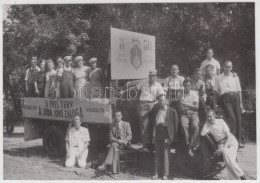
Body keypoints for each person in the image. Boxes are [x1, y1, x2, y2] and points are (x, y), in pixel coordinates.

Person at [201, 109, 246, 180]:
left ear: (214, 116)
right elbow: (202, 133)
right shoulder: (208, 126)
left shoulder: (221, 121)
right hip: (221, 144)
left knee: (228, 157)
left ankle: (237, 177)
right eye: (207, 117)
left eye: (210, 116)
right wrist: (206, 123)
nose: (209, 118)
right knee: (230, 159)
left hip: (231, 141)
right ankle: (241, 176)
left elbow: (228, 135)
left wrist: (223, 147)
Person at [213, 60, 244, 148]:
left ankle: (238, 141)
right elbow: (215, 91)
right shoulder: (218, 78)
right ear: (223, 67)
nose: (228, 68)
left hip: (235, 98)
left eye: (230, 67)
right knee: (232, 118)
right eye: (226, 66)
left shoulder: (235, 77)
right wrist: (215, 104)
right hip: (225, 98)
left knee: (238, 118)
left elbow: (239, 91)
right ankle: (231, 141)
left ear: (232, 67)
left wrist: (241, 104)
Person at [149, 94, 179, 180]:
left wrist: (172, 138)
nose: (161, 102)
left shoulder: (172, 111)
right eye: (159, 100)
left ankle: (165, 174)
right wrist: (154, 136)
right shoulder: (157, 111)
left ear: (166, 101)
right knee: (157, 154)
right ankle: (157, 173)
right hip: (158, 132)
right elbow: (155, 124)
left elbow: (176, 126)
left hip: (166, 133)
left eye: (163, 100)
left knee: (166, 154)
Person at [135, 70, 165, 151]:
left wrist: (153, 103)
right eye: (150, 75)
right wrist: (139, 102)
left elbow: (161, 98)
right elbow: (136, 89)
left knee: (156, 123)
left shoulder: (158, 85)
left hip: (153, 105)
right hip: (142, 105)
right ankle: (145, 145)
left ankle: (155, 144)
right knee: (144, 125)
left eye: (154, 76)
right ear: (148, 76)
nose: (152, 77)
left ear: (156, 76)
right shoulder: (143, 83)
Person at [177, 78, 200, 156]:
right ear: (183, 86)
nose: (187, 88)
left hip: (193, 113)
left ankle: (192, 145)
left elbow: (196, 107)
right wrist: (182, 108)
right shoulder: (180, 94)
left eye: (188, 86)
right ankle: (187, 143)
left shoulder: (194, 94)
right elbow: (179, 105)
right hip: (184, 114)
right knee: (183, 126)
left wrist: (186, 104)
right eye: (185, 86)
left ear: (191, 86)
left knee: (196, 126)